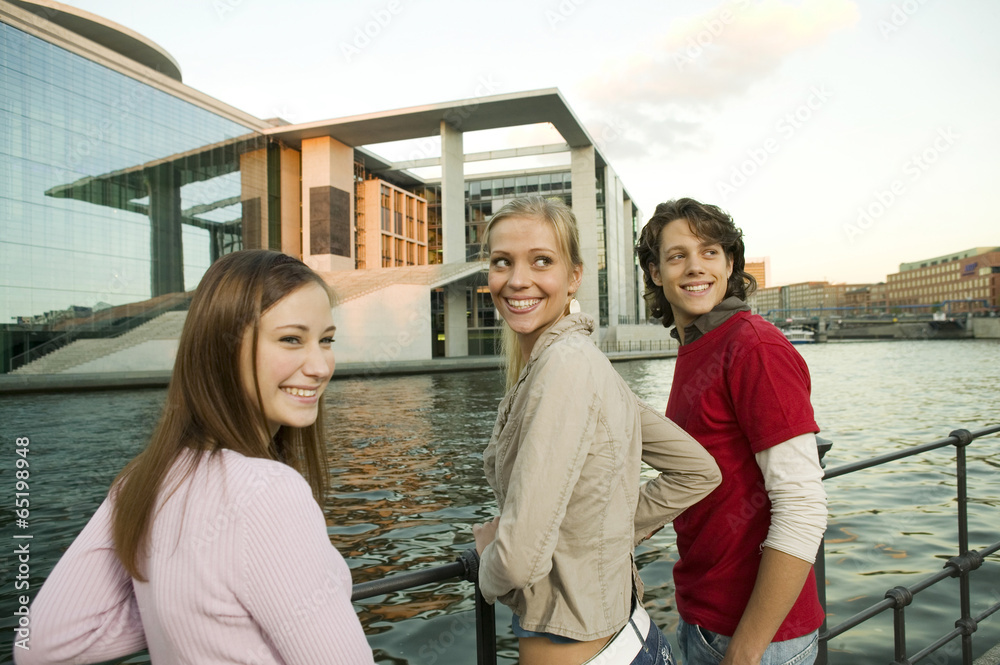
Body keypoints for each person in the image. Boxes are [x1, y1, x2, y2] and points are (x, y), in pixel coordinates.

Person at [16, 250, 375, 665]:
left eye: (326, 340)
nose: (320, 366)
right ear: (221, 349)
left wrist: (184, 599)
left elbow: (43, 643)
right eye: (291, 339)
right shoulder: (270, 492)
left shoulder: (144, 478)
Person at [472, 196, 722, 665]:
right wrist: (598, 536)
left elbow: (519, 558)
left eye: (541, 261)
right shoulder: (585, 361)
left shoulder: (564, 366)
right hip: (628, 638)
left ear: (574, 277)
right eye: (501, 262)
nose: (517, 279)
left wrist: (488, 562)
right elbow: (697, 469)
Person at [635, 198, 828, 665]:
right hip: (704, 619)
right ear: (656, 273)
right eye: (677, 255)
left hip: (757, 640)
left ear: (730, 263)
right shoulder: (699, 346)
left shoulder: (753, 345)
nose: (695, 267)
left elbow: (803, 506)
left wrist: (746, 650)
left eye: (709, 252)